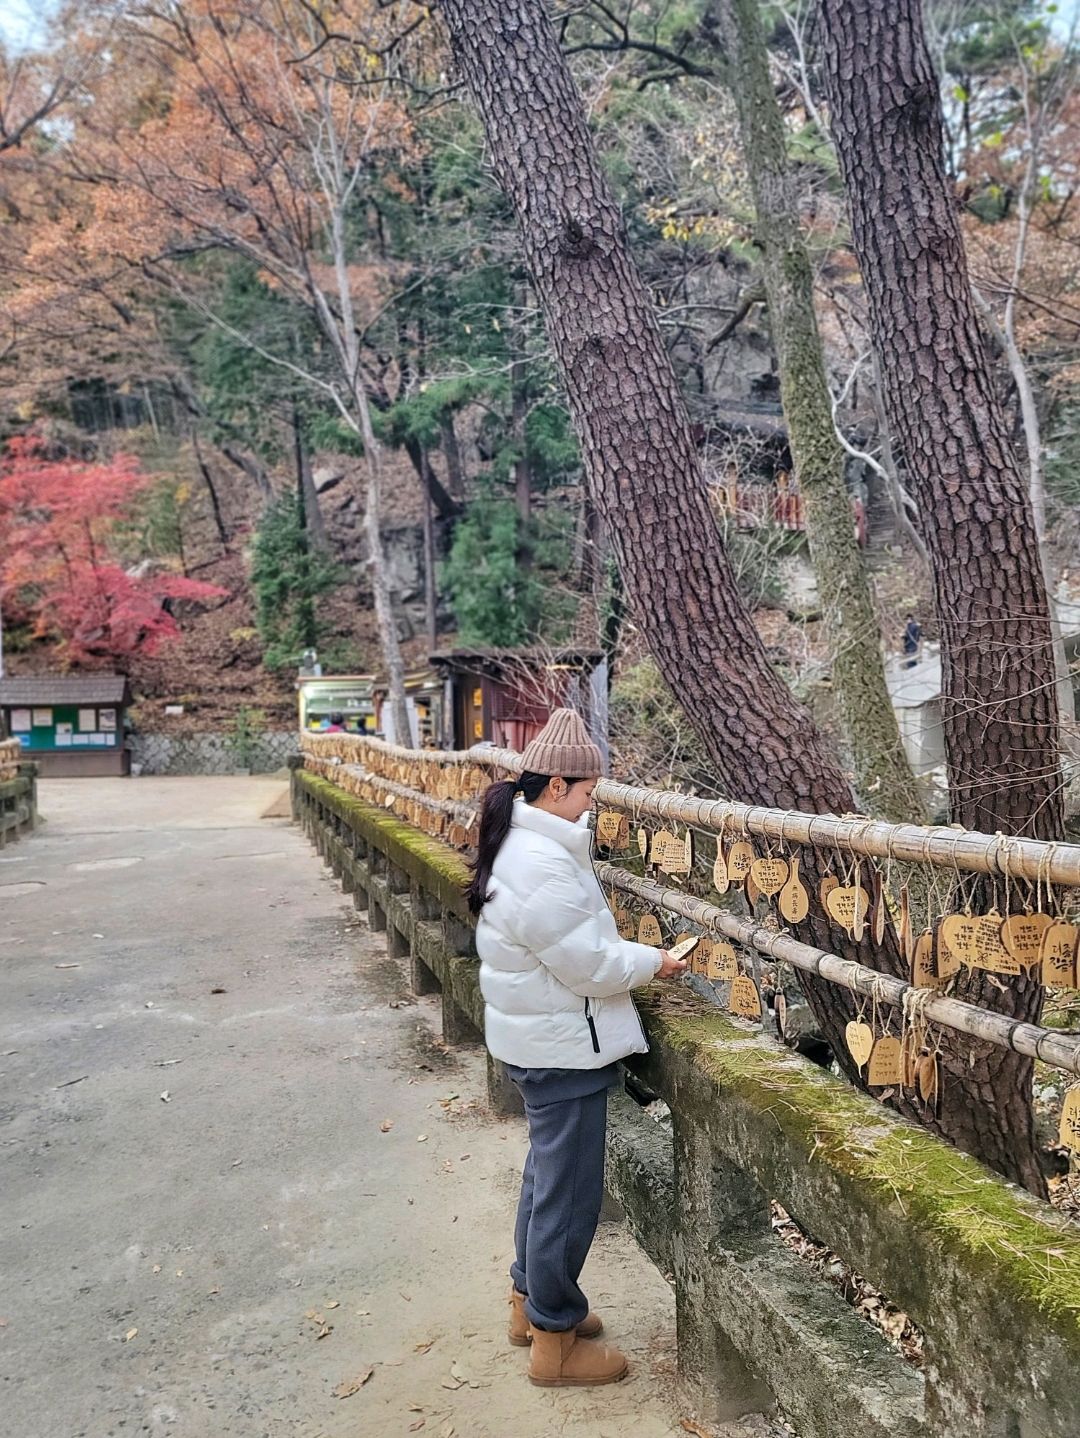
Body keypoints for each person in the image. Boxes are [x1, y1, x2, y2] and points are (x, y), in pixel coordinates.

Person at [466, 709, 687, 1388]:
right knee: (569, 1194)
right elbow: (589, 966)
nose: (595, 804)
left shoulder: (524, 845)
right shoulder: (542, 864)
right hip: (561, 1045)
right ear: (557, 785)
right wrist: (656, 961)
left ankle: (528, 1302)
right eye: (590, 792)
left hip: (538, 1036)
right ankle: (554, 1339)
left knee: (545, 1177)